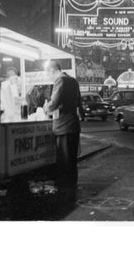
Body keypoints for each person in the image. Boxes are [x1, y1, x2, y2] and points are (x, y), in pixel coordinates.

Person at [45, 61, 84, 202]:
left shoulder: (60, 81)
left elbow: (53, 103)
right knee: (72, 160)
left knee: (64, 160)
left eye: (48, 74)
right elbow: (79, 102)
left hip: (63, 126)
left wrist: (46, 108)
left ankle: (65, 191)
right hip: (73, 125)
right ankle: (72, 186)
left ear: (52, 71)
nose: (49, 77)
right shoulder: (73, 81)